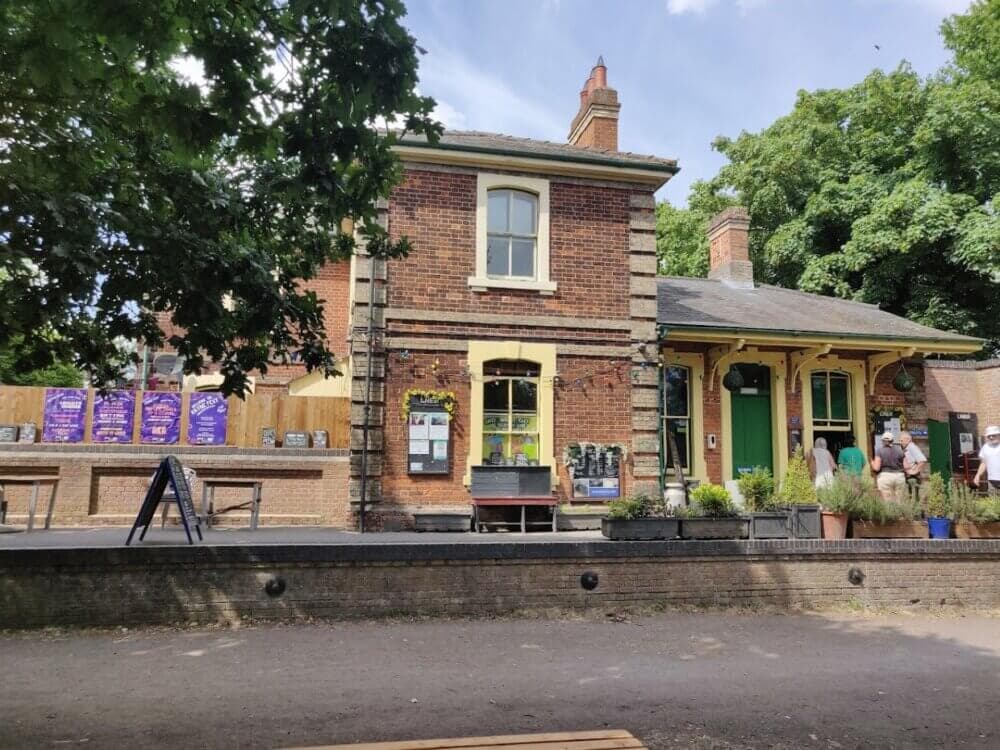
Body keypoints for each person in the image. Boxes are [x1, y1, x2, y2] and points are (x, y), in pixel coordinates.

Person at [871, 431, 906, 503]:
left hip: (885, 477)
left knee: (887, 501)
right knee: (899, 501)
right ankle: (899, 513)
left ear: (883, 441)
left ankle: (890, 513)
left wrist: (872, 463)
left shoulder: (879, 451)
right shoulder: (900, 450)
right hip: (899, 476)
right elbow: (906, 465)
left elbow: (876, 468)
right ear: (892, 440)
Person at [974, 425, 1000, 496]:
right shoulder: (985, 447)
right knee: (993, 504)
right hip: (992, 482)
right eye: (989, 436)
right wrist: (978, 475)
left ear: (998, 435)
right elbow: (983, 463)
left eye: (993, 435)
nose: (991, 437)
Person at [900, 431, 927, 498]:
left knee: (913, 498)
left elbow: (922, 460)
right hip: (909, 477)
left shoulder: (912, 447)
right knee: (910, 497)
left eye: (901, 440)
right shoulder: (908, 448)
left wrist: (913, 472)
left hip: (913, 477)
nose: (900, 442)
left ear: (908, 439)